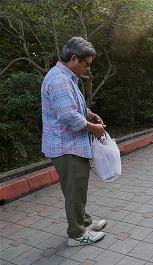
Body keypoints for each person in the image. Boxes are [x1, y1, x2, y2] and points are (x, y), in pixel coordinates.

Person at [41, 37, 107, 246]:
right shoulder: (60, 80)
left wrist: (88, 114)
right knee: (74, 190)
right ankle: (77, 234)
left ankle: (84, 221)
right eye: (86, 64)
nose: (88, 69)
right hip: (66, 146)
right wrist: (94, 128)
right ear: (74, 58)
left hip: (70, 145)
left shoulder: (66, 76)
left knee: (77, 188)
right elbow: (68, 116)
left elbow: (72, 108)